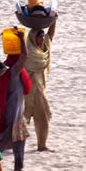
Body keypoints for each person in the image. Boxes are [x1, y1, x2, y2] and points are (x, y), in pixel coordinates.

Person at [0, 31, 32, 171]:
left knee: (20, 138)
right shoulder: (15, 70)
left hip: (14, 110)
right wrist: (22, 39)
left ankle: (19, 165)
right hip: (14, 111)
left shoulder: (6, 70)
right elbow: (25, 56)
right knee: (4, 140)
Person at [24, 20, 56, 151]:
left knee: (42, 117)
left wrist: (53, 20)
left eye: (42, 37)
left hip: (40, 89)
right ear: (32, 38)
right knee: (21, 120)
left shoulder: (44, 49)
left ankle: (41, 145)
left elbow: (51, 35)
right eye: (39, 37)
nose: (42, 39)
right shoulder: (28, 52)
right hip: (27, 91)